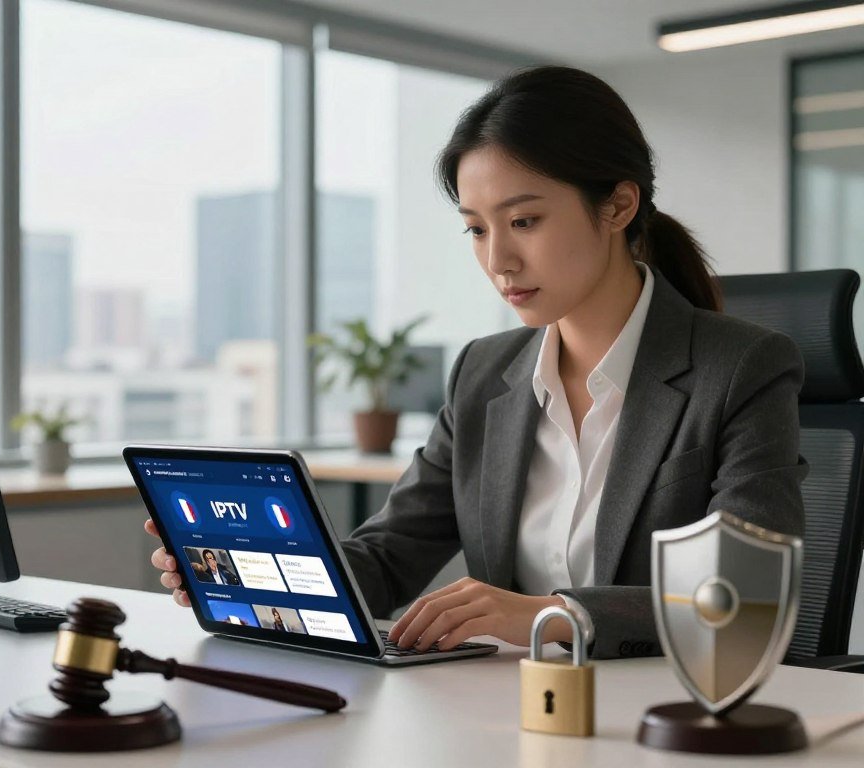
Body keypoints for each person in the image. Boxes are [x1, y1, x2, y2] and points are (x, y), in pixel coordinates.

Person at [148, 66, 806, 660]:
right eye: (477, 228)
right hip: (504, 716)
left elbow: (742, 599)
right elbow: (389, 556)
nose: (498, 262)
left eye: (523, 221)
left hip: (661, 718)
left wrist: (549, 616)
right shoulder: (485, 374)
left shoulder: (741, 368)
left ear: (618, 206)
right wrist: (249, 569)